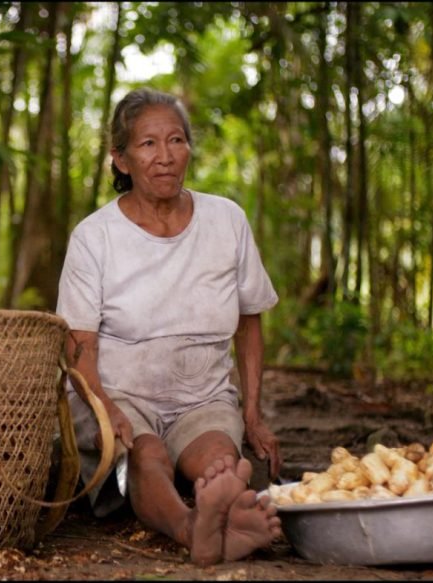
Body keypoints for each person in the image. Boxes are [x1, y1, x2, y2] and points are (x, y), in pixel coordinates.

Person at [56, 87, 282, 565]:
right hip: (120, 393)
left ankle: (224, 504)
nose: (165, 157)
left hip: (201, 394)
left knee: (220, 456)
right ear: (120, 159)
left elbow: (249, 321)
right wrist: (104, 409)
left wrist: (253, 413)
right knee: (148, 456)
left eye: (176, 141)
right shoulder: (95, 237)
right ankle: (192, 527)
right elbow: (79, 348)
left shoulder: (227, 220)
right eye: (147, 145)